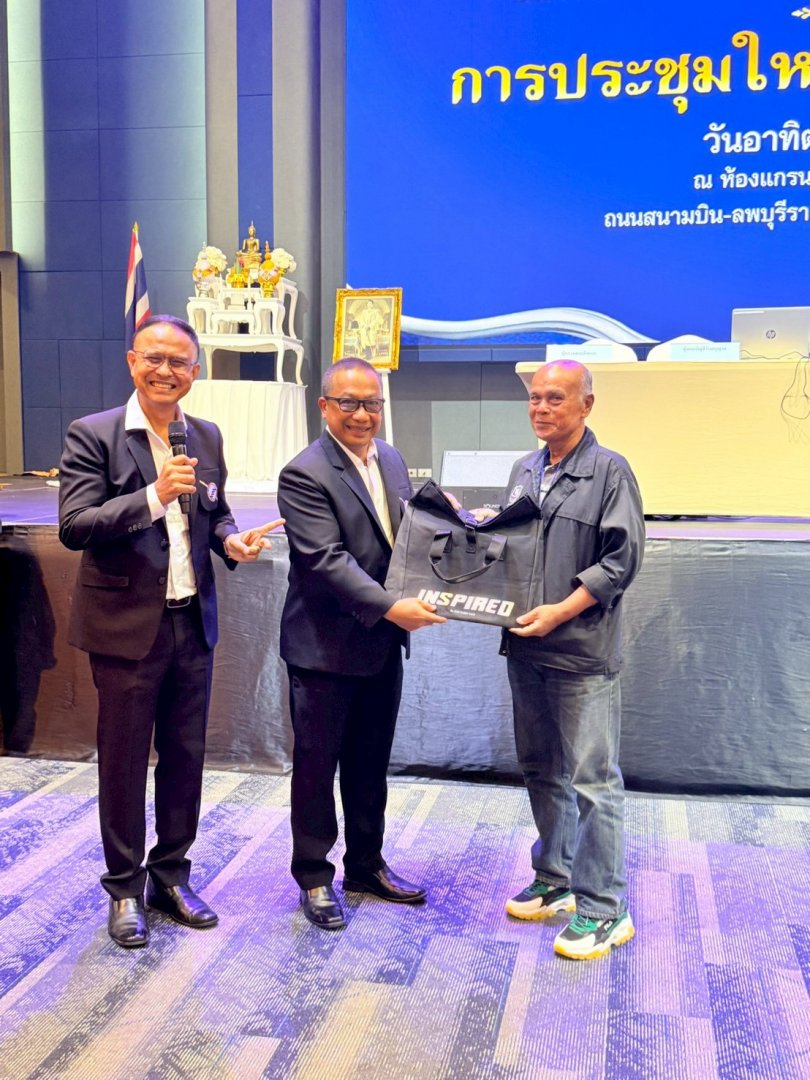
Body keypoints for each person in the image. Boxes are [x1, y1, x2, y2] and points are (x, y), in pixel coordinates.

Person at [58, 314, 282, 949]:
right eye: (153, 358)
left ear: (195, 371)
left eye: (178, 362)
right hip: (126, 629)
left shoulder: (203, 435)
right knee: (125, 762)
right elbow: (74, 525)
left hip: (191, 621)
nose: (165, 371)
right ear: (132, 362)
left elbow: (214, 512)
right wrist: (153, 496)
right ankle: (124, 887)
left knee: (185, 758)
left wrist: (231, 540)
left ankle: (171, 876)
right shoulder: (94, 434)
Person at [277, 357, 446, 930]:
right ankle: (314, 875)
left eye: (371, 403)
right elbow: (327, 561)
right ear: (324, 406)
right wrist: (392, 607)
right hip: (323, 649)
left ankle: (366, 865)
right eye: (348, 403)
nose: (361, 414)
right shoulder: (304, 473)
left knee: (370, 764)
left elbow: (407, 531)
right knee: (316, 767)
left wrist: (457, 525)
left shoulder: (390, 458)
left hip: (379, 644)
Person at [499, 360, 645, 960]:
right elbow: (508, 549)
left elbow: (620, 562)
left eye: (555, 398)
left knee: (593, 782)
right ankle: (555, 877)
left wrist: (560, 611)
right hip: (525, 647)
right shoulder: (523, 470)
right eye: (535, 397)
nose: (541, 408)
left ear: (586, 405)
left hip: (581, 654)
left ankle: (606, 910)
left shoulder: (611, 472)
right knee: (541, 770)